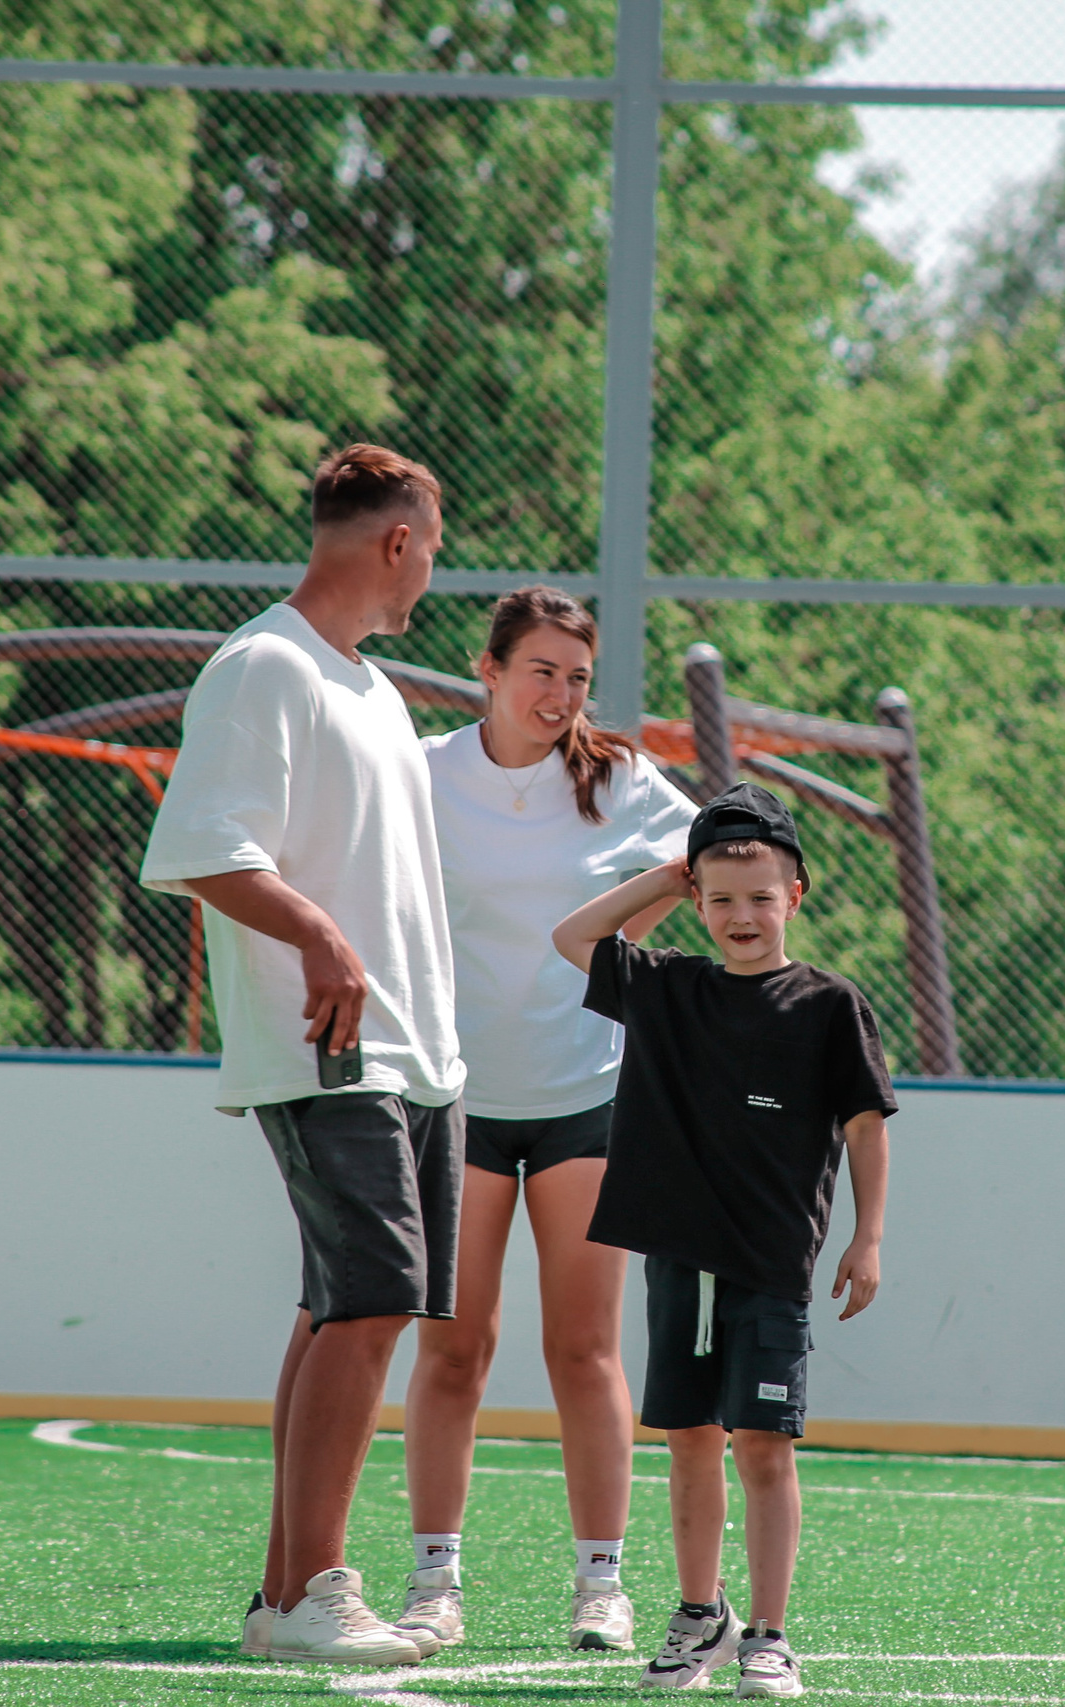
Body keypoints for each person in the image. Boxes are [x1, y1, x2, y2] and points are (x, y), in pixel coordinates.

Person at [138, 444, 464, 1669]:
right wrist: (321, 939)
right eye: (429, 548)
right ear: (396, 540)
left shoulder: (371, 691)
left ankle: (285, 1597)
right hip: (333, 1048)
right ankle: (320, 1591)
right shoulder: (262, 667)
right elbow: (206, 849)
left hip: (420, 1055)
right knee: (371, 1300)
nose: (429, 573)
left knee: (342, 1304)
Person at [395, 585, 694, 1655]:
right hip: (456, 1099)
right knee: (454, 1350)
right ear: (488, 668)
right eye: (540, 672)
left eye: (576, 677)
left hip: (587, 1100)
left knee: (584, 1350)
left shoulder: (614, 778)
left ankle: (600, 1585)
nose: (560, 695)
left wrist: (622, 952)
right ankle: (434, 1582)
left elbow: (702, 856)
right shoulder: (423, 770)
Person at [551, 782, 896, 1699]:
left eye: (761, 894)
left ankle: (772, 1635)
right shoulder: (667, 986)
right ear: (697, 900)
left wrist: (867, 1239)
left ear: (796, 894)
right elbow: (575, 937)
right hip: (679, 1260)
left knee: (763, 1447)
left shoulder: (829, 1004)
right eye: (721, 897)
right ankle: (702, 1615)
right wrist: (664, 874)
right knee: (692, 1442)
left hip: (774, 1264)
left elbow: (866, 1125)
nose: (742, 915)